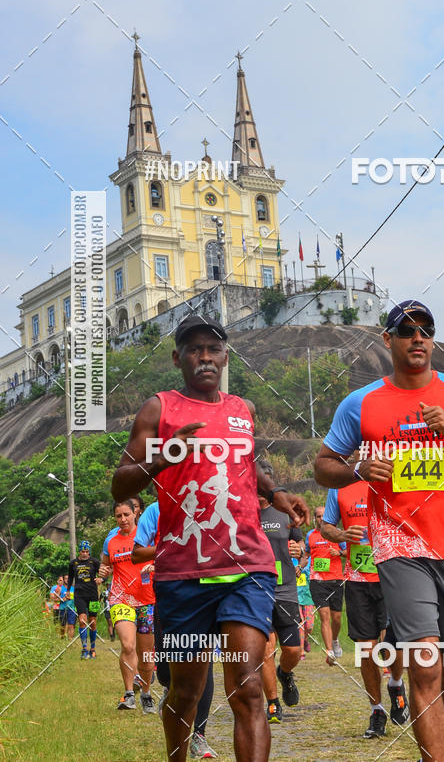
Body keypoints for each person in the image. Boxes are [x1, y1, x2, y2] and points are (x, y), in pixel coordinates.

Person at [314, 301, 444, 762]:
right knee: (425, 663)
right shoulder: (361, 402)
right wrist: (358, 468)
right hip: (398, 544)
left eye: (426, 329)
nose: (418, 337)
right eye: (406, 330)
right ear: (387, 340)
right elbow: (323, 466)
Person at [111, 314, 309, 762]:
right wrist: (163, 458)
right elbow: (120, 484)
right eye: (195, 349)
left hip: (248, 567)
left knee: (249, 687)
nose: (205, 357)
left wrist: (276, 492)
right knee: (186, 692)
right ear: (178, 357)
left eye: (214, 349)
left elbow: (247, 464)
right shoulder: (158, 409)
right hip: (182, 575)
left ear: (225, 357)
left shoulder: (243, 410)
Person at [321, 481, 410, 738]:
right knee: (366, 648)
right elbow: (327, 527)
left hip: (392, 576)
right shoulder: (339, 487)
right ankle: (377, 709)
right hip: (358, 580)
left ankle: (395, 683)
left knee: (393, 644)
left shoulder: (392, 478)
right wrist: (341, 536)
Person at [132, 500, 217, 758]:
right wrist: (169, 548)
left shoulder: (206, 502)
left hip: (204, 592)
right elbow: (137, 553)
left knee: (205, 664)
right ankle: (169, 691)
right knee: (169, 673)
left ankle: (199, 735)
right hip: (169, 596)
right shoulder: (155, 511)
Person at [100, 499, 156, 713]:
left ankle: (146, 693)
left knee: (146, 653)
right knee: (128, 645)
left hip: (146, 599)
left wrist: (153, 566)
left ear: (135, 514)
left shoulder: (146, 536)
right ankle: (129, 693)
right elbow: (105, 567)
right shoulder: (111, 541)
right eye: (118, 516)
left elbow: (162, 555)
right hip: (120, 598)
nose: (122, 519)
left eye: (126, 515)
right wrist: (103, 572)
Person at [258, 476, 304, 725]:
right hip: (256, 588)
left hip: (285, 588)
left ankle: (285, 673)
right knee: (266, 649)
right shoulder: (247, 513)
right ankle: (273, 703)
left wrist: (300, 552)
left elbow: (300, 546)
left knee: (292, 650)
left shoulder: (286, 512)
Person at [305, 506, 345, 665]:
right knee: (324, 616)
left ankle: (335, 640)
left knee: (336, 618)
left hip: (336, 579)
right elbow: (307, 555)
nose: (321, 519)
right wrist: (300, 566)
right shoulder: (310, 535)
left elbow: (348, 551)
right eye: (318, 516)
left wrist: (340, 553)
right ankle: (329, 652)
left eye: (323, 516)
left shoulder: (336, 533)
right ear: (315, 519)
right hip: (317, 581)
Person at [67, 540, 102, 660]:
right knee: (82, 621)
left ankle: (93, 648)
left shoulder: (94, 562)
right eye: (83, 551)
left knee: (93, 622)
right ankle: (84, 649)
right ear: (79, 551)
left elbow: (103, 573)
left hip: (93, 595)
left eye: (87, 552)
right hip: (79, 595)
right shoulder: (73, 563)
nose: (85, 554)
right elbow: (71, 577)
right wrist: (67, 590)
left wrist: (101, 579)